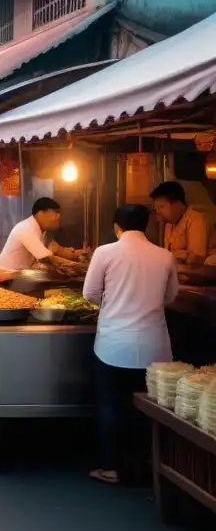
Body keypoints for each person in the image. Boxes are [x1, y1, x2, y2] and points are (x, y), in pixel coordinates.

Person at [82, 204, 179, 485]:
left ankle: (111, 467)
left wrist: (112, 305)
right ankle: (148, 464)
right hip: (154, 346)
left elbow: (90, 293)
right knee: (149, 407)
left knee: (110, 405)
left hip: (113, 344)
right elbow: (171, 296)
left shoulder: (105, 252)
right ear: (147, 226)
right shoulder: (165, 256)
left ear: (116, 226)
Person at [0, 197, 80, 270]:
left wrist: (75, 254)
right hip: (4, 278)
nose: (58, 216)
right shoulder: (26, 228)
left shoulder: (41, 231)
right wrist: (77, 266)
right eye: (54, 212)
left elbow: (55, 248)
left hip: (17, 276)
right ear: (40, 213)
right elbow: (46, 258)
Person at [150, 181, 211, 266]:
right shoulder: (169, 224)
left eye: (162, 207)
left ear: (178, 204)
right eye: (156, 208)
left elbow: (195, 259)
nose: (158, 212)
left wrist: (174, 255)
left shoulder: (196, 220)